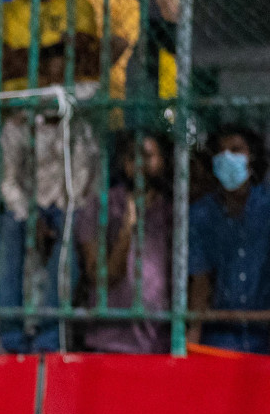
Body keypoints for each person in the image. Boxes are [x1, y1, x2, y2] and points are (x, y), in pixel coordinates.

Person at [0, 42, 100, 352]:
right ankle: (11, 334)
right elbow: (9, 181)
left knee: (71, 236)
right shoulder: (18, 125)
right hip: (27, 206)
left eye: (62, 81)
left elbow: (81, 181)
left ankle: (51, 335)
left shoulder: (81, 128)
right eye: (48, 81)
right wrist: (31, 214)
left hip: (67, 207)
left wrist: (58, 214)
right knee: (10, 232)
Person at [78, 133, 173, 354]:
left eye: (147, 156)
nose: (139, 164)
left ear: (163, 161)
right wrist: (126, 230)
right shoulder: (101, 206)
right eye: (132, 157)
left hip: (157, 343)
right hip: (107, 342)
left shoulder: (173, 212)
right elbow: (100, 278)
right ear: (123, 162)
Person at [189, 126, 270, 353]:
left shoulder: (267, 208)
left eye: (236, 150)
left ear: (252, 156)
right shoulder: (201, 214)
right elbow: (200, 280)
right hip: (219, 338)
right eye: (220, 152)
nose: (227, 157)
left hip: (264, 337)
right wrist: (193, 335)